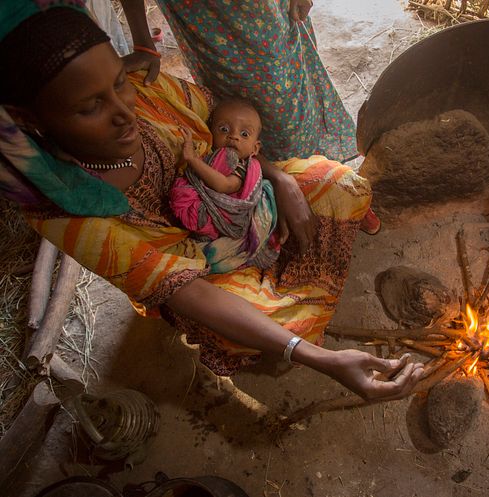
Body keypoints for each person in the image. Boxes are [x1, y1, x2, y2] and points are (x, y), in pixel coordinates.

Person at [0, 2, 422, 400]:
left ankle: (279, 271)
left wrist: (281, 181)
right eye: (91, 106)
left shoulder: (147, 91)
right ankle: (280, 329)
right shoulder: (63, 209)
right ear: (29, 119)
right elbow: (184, 290)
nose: (125, 111)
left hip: (247, 197)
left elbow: (223, 133)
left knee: (337, 182)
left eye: (118, 83)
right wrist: (323, 359)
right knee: (266, 328)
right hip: (200, 270)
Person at [120, 0, 357, 164]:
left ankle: (317, 177)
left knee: (291, 103)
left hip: (264, 18)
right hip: (207, 22)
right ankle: (271, 184)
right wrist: (143, 42)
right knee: (235, 112)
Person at [170, 98, 281, 272]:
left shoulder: (241, 166)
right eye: (224, 129)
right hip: (206, 213)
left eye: (244, 134)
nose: (233, 136)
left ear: (255, 149)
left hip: (226, 222)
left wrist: (192, 160)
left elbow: (225, 186)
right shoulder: (212, 157)